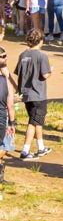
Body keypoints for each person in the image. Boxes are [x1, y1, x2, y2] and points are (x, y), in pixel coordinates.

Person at [15, 29, 52, 160]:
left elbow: (19, 73)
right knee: (33, 122)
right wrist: (51, 71)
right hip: (38, 94)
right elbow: (45, 74)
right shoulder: (42, 56)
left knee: (37, 121)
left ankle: (41, 147)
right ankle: (25, 150)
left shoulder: (22, 55)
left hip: (26, 94)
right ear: (40, 41)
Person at [0, 48, 16, 186]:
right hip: (1, 118)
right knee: (4, 146)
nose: (6, 58)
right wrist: (11, 123)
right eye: (3, 56)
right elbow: (10, 104)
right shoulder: (4, 81)